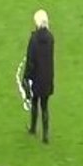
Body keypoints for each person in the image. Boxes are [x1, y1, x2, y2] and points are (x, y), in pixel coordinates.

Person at [24, 10, 55, 143]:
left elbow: (31, 60)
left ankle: (33, 128)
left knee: (35, 103)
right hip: (47, 77)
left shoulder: (34, 39)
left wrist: (27, 77)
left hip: (36, 77)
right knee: (45, 106)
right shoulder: (51, 38)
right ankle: (45, 135)